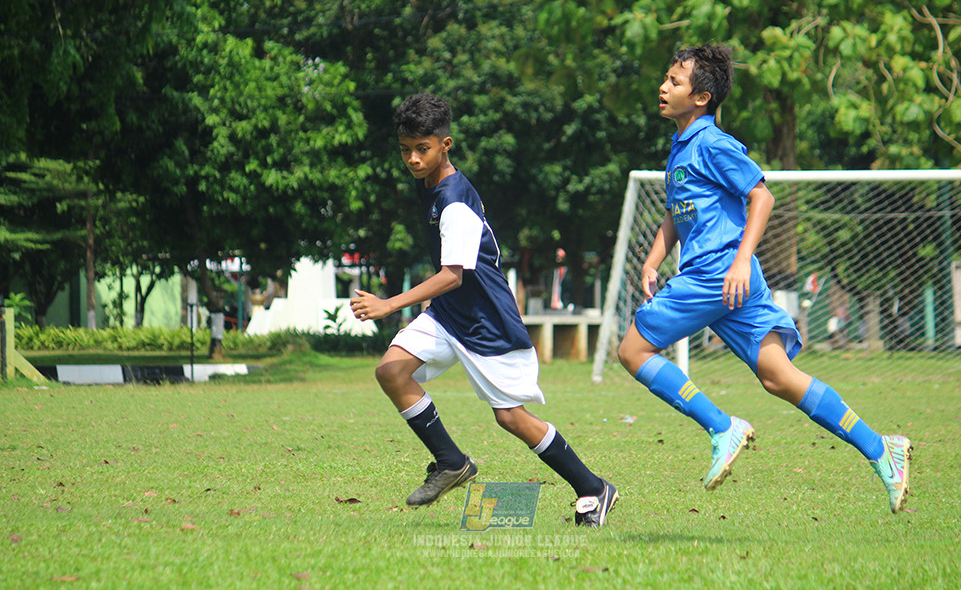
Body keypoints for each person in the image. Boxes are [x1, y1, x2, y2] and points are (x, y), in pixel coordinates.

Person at [616, 45, 913, 513]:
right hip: (734, 280)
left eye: (674, 81)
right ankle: (883, 449)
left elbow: (762, 197)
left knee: (632, 350)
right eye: (666, 78)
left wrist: (739, 260)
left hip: (719, 273)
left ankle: (720, 426)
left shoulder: (713, 143)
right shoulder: (681, 149)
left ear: (701, 97)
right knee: (779, 377)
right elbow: (674, 216)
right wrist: (654, 260)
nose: (663, 86)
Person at [350, 93, 618, 526]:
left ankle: (592, 488)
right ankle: (451, 460)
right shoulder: (430, 187)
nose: (414, 159)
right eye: (406, 150)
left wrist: (390, 304)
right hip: (448, 313)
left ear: (446, 144)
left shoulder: (454, 200)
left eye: (423, 149)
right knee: (391, 371)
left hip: (486, 321)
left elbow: (452, 274)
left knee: (511, 417)